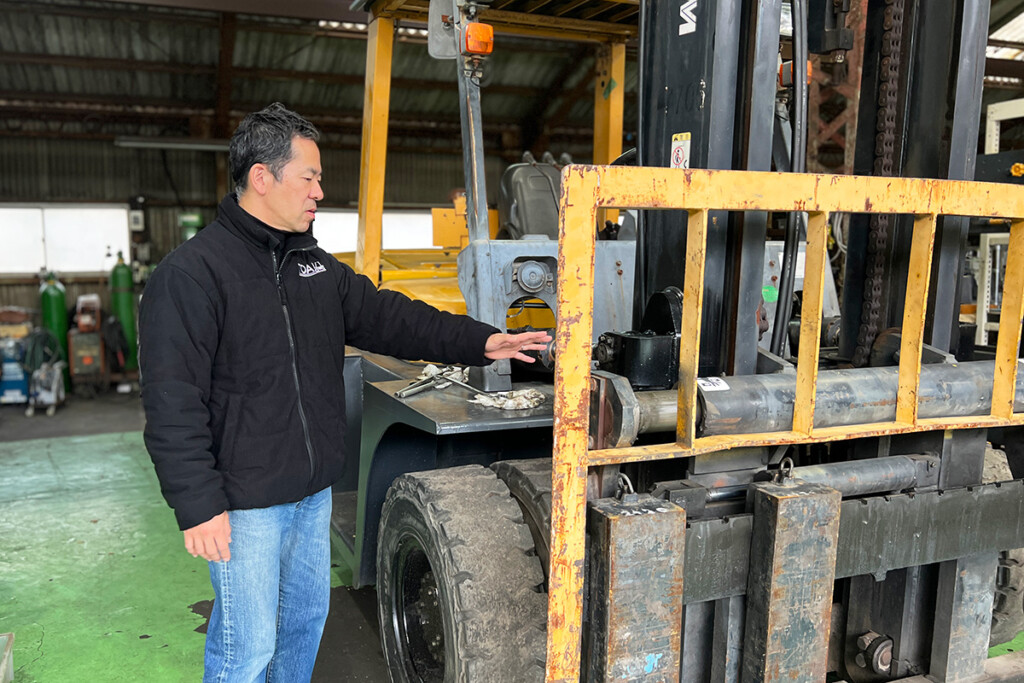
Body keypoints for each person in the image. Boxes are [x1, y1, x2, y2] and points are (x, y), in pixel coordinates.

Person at [138, 102, 550, 682]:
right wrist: (198, 505)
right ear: (262, 177)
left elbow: (391, 318)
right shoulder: (191, 275)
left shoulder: (312, 265)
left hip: (312, 495)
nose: (319, 192)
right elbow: (171, 401)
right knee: (245, 649)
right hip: (245, 502)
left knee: (304, 625)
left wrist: (481, 341)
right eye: (309, 177)